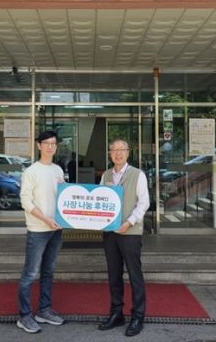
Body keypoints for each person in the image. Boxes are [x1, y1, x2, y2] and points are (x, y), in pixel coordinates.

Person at [98, 137, 150, 337]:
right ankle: (116, 313)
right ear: (110, 154)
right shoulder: (106, 175)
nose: (118, 153)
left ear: (128, 153)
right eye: (114, 150)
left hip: (130, 232)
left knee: (135, 275)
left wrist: (129, 222)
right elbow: (99, 200)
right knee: (114, 274)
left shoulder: (138, 175)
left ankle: (138, 316)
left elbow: (144, 203)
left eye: (122, 150)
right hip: (110, 232)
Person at [16, 130, 65, 334]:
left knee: (48, 271)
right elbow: (25, 201)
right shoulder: (31, 172)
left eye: (53, 143)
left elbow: (65, 196)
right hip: (38, 229)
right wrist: (46, 219)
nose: (50, 146)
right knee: (30, 273)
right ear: (39, 146)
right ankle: (25, 315)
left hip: (56, 229)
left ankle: (44, 310)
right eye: (46, 143)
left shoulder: (58, 170)